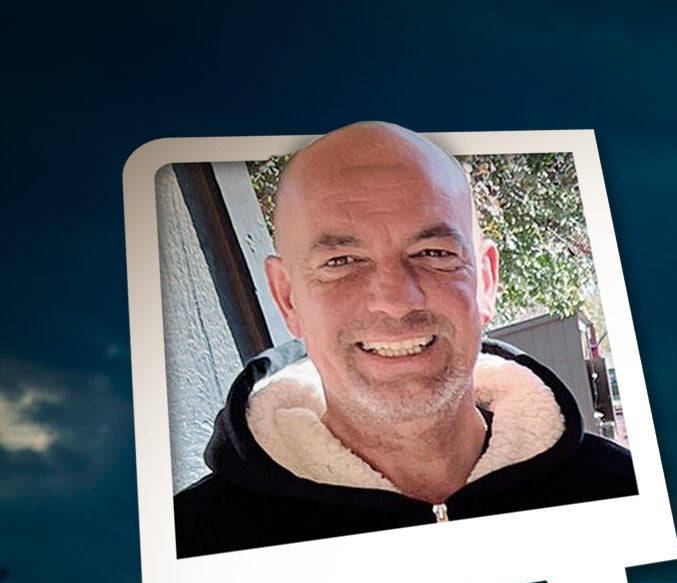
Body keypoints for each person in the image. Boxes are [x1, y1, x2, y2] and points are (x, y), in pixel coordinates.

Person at [173, 122, 636, 557]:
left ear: (485, 283)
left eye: (434, 253)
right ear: (288, 298)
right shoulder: (187, 547)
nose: (395, 300)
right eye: (341, 261)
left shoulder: (628, 491)